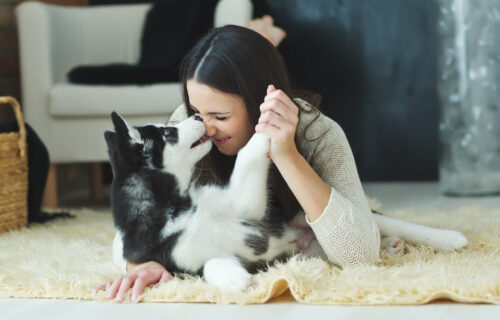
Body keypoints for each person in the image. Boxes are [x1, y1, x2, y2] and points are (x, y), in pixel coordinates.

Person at [99, 18, 380, 303]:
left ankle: (263, 37)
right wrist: (142, 264)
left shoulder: (318, 133)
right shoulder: (189, 127)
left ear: (259, 103)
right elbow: (134, 224)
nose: (205, 127)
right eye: (195, 109)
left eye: (221, 117)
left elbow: (361, 255)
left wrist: (286, 154)